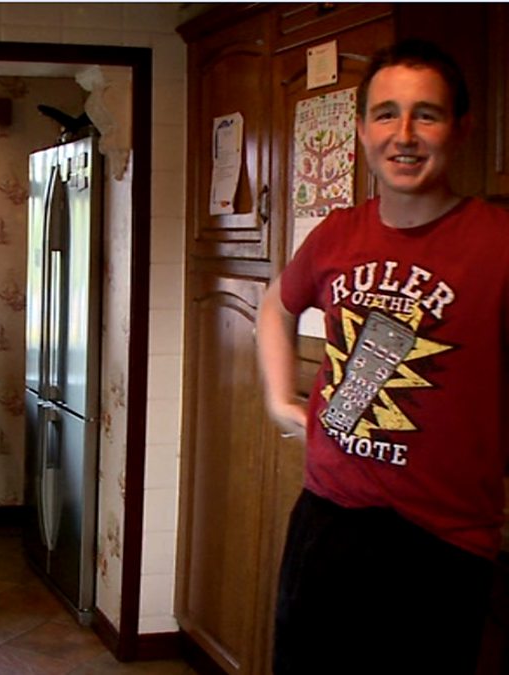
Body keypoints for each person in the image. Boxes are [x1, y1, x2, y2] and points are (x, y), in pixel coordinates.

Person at [257, 38, 506, 673]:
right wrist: (280, 400)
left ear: (461, 129)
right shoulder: (338, 234)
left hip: (444, 541)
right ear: (364, 130)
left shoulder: (499, 243)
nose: (405, 134)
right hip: (327, 520)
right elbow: (276, 306)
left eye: (428, 115)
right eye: (386, 114)